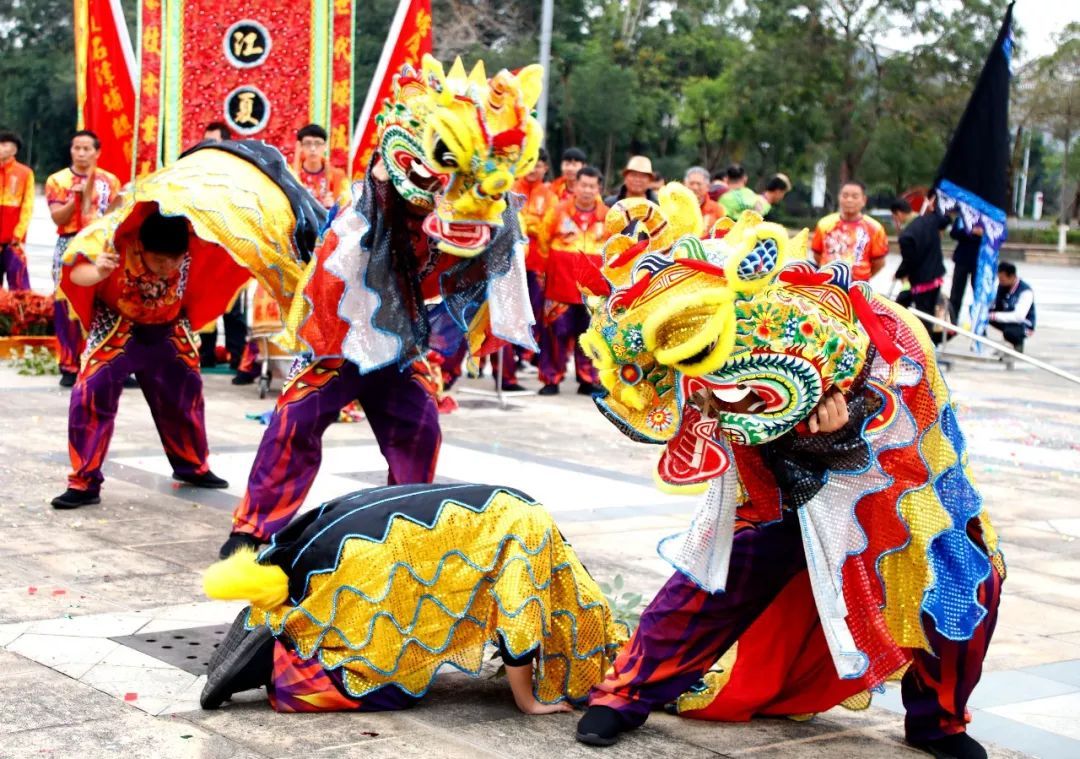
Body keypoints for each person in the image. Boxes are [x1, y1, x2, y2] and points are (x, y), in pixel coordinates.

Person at [573, 215, 1004, 759]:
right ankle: (627, 691)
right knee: (719, 572)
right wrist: (732, 409)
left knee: (963, 578)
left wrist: (842, 431)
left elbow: (912, 452)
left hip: (894, 484)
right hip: (779, 475)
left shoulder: (888, 351)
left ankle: (939, 721)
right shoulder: (728, 361)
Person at [220, 55, 541, 559]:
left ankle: (407, 524)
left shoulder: (467, 205)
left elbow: (478, 248)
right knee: (296, 420)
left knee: (419, 424)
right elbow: (388, 182)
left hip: (399, 338)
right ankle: (254, 528)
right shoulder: (382, 187)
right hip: (340, 331)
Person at [200, 483, 627, 713]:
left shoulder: (519, 503)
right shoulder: (534, 535)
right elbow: (520, 619)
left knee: (326, 606)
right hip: (366, 556)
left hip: (345, 529)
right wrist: (528, 701)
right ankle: (285, 665)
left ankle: (278, 621)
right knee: (389, 689)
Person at [49, 210, 230, 509]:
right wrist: (99, 272)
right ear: (141, 248)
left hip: (170, 328)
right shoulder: (113, 238)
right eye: (160, 261)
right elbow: (74, 270)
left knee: (186, 396)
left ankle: (193, 466)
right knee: (89, 394)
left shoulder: (193, 234)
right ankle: (84, 481)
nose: (168, 268)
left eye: (175, 260)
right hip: (118, 327)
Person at [46, 131, 122, 386]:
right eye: (76, 148)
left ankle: (106, 361)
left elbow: (114, 215)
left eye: (86, 148)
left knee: (105, 301)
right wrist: (75, 199)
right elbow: (58, 218)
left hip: (100, 244)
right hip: (70, 242)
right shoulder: (57, 180)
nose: (81, 153)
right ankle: (68, 364)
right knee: (66, 302)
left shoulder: (110, 181)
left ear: (97, 152)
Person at [538, 165, 609, 396]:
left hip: (594, 291)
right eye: (583, 185)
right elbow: (542, 242)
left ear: (599, 188)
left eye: (592, 186)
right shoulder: (557, 212)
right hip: (560, 286)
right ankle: (551, 378)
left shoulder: (608, 216)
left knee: (590, 335)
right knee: (555, 335)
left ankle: (588, 378)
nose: (587, 190)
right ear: (575, 186)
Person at [509, 146, 559, 388]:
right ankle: (513, 356)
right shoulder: (511, 186)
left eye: (538, 165)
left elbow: (548, 228)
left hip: (538, 264)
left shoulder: (549, 196)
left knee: (535, 311)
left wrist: (526, 224)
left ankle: (528, 354)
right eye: (529, 162)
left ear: (545, 169)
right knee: (511, 310)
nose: (533, 169)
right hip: (511, 263)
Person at [891, 197, 949, 344]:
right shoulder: (930, 220)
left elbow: (909, 261)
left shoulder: (907, 235)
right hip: (936, 276)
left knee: (924, 316)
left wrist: (899, 274)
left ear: (898, 213)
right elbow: (946, 219)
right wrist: (935, 210)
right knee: (906, 304)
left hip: (921, 281)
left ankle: (925, 347)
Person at [810, 180, 889, 282]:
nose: (849, 200)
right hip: (826, 284)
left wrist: (860, 278)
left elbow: (879, 262)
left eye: (855, 196)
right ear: (839, 197)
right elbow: (817, 255)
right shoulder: (824, 224)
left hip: (858, 285)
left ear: (864, 200)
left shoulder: (875, 228)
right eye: (845, 195)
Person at [0, 130, 34, 290]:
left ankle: (19, 315)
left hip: (13, 241)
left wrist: (18, 234)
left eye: (4, 144)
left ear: (14, 150)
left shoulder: (25, 173)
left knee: (19, 284)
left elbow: (28, 206)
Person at [293, 124, 348, 210]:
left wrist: (334, 207)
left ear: (325, 146)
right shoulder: (291, 174)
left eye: (318, 143)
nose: (313, 148)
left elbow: (348, 208)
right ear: (300, 146)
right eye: (308, 143)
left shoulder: (337, 176)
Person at [988, 261, 1035, 353]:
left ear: (1012, 276)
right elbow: (996, 306)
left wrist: (993, 315)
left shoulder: (1025, 291)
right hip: (1008, 318)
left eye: (1002, 279)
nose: (1000, 282)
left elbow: (1019, 316)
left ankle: (1017, 345)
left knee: (1010, 332)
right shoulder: (1002, 287)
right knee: (983, 315)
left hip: (1024, 324)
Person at [948, 219, 983, 324]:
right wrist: (971, 231)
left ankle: (979, 321)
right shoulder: (963, 214)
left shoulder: (985, 214)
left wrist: (983, 233)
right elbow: (954, 233)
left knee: (979, 292)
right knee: (956, 293)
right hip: (962, 259)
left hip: (979, 259)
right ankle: (952, 320)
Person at [684, 166, 722, 232]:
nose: (695, 187)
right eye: (691, 183)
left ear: (708, 186)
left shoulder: (717, 209)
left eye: (699, 184)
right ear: (684, 185)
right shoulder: (675, 208)